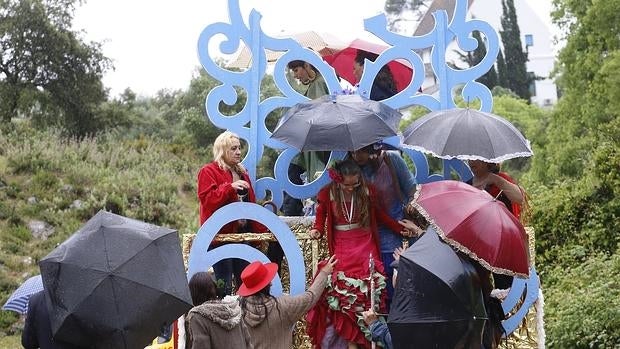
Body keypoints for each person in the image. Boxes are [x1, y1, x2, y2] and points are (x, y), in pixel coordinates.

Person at [306, 159, 409, 349]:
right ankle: (351, 344)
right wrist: (317, 230)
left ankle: (371, 341)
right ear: (338, 180)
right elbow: (321, 217)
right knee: (346, 300)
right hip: (342, 248)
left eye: (356, 184)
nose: (352, 188)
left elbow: (380, 216)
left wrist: (398, 228)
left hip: (365, 246)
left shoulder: (367, 191)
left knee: (368, 295)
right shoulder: (328, 193)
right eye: (347, 185)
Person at [197, 131, 266, 295]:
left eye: (239, 148)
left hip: (243, 235)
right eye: (233, 148)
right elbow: (208, 200)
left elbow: (251, 206)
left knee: (247, 284)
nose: (238, 152)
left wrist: (259, 234)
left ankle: (246, 318)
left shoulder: (242, 172)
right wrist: (229, 188)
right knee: (224, 286)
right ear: (223, 150)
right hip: (220, 237)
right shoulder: (208, 171)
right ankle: (224, 318)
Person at [351, 143, 416, 308]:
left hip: (397, 237)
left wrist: (410, 205)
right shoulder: (351, 167)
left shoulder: (391, 159)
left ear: (373, 147)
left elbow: (412, 190)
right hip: (368, 241)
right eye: (351, 151)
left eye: (360, 150)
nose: (355, 155)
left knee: (398, 291)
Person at [239, 255, 338, 349]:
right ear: (268, 284)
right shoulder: (282, 306)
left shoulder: (238, 313)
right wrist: (324, 273)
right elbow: (310, 297)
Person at [467, 160, 525, 289]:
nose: (471, 162)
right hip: (478, 246)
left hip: (504, 244)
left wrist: (496, 180)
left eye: (475, 157)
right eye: (469, 157)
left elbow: (520, 199)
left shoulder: (501, 180)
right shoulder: (467, 186)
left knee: (507, 287)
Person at [185, 272, 253, 349]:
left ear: (193, 293)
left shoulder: (198, 317)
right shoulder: (233, 309)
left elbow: (201, 346)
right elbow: (248, 342)